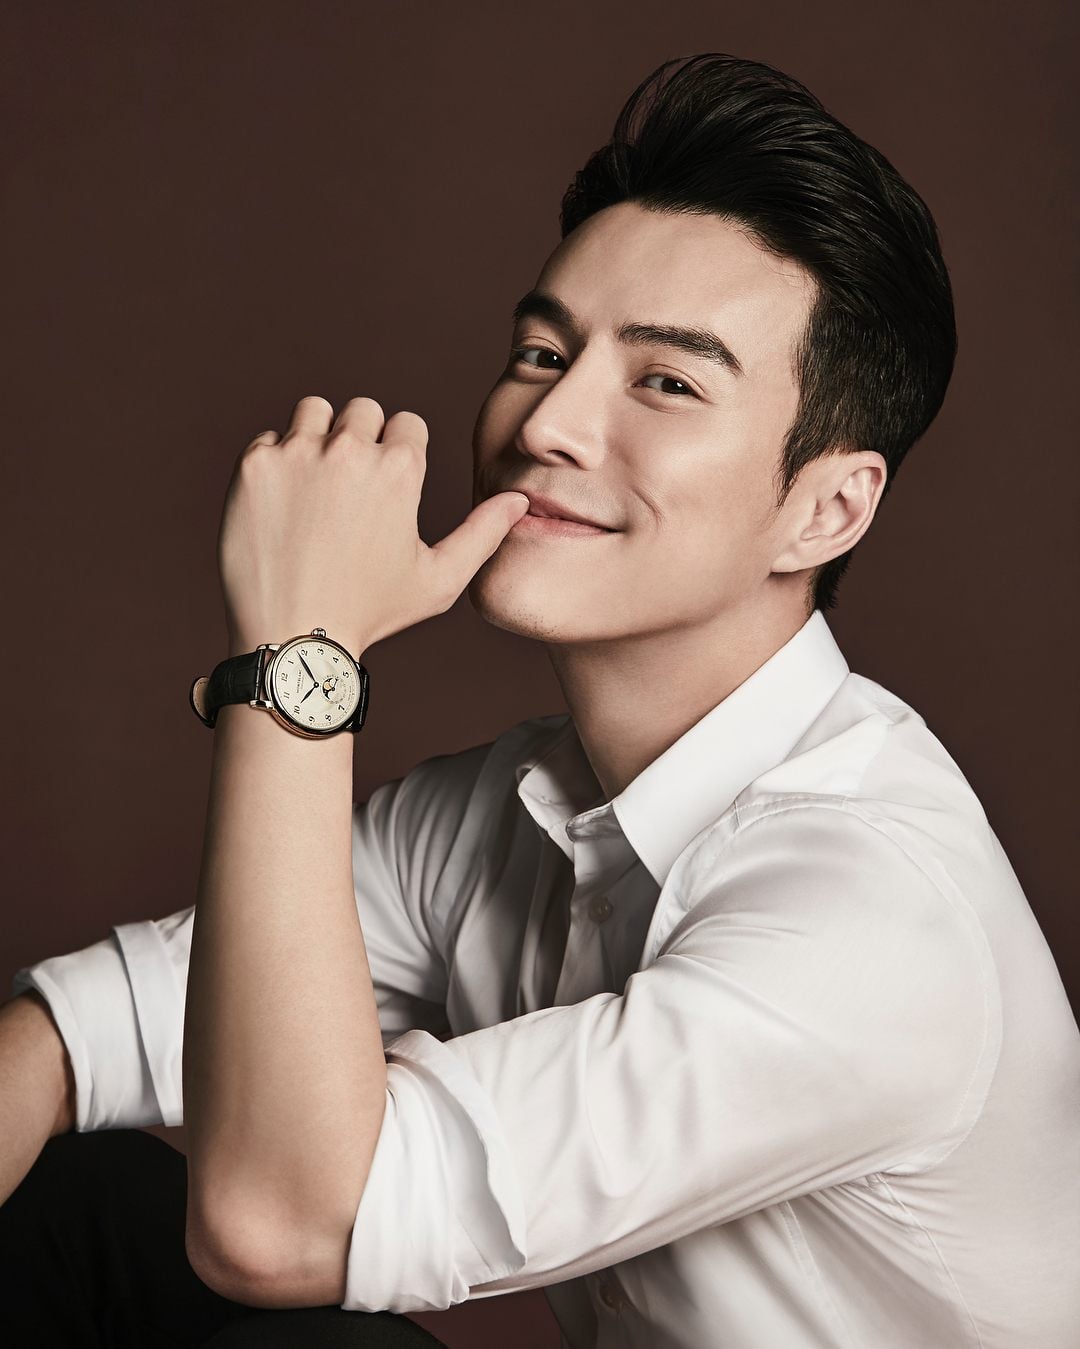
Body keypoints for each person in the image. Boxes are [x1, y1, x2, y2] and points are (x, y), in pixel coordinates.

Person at [2, 49, 1078, 1349]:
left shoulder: (872, 913)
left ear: (827, 508)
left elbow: (281, 1228)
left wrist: (296, 661)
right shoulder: (512, 807)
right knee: (77, 1203)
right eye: (541, 350)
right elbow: (75, 1035)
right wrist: (50, 1052)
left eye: (665, 381)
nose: (547, 422)